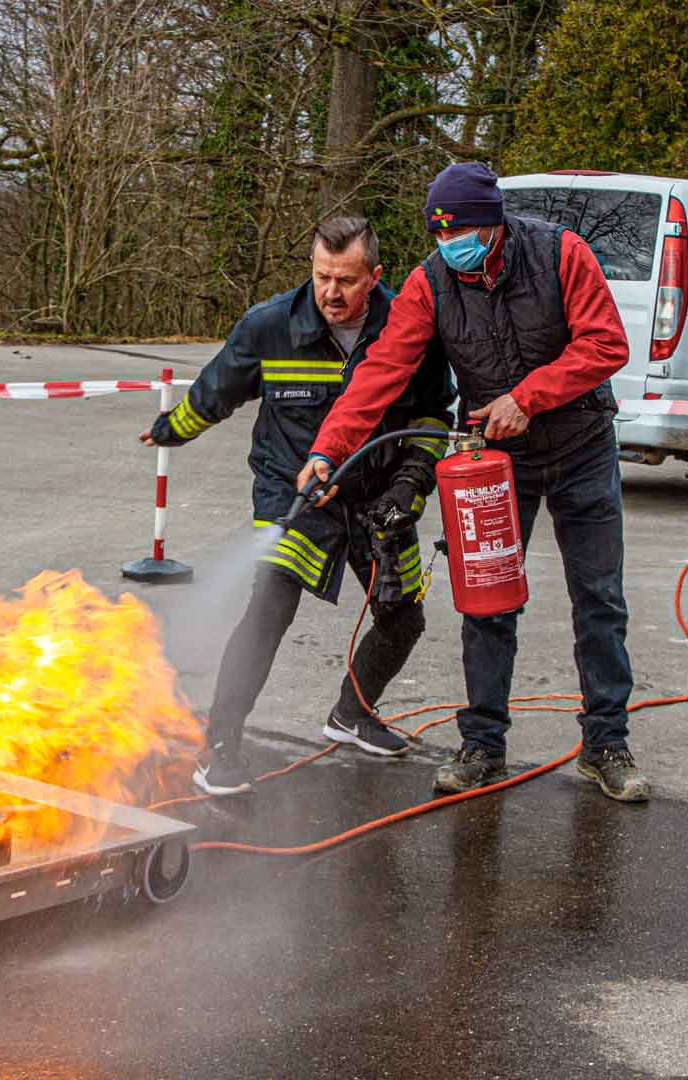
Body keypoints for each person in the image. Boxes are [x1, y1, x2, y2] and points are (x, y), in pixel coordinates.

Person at [298, 163, 649, 803]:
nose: (450, 246)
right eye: (440, 236)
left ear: (494, 225)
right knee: (487, 601)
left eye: (461, 233)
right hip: (495, 459)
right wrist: (330, 450)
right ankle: (483, 745)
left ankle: (606, 745)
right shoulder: (431, 283)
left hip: (581, 448)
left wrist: (529, 397)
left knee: (598, 599)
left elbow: (605, 344)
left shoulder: (560, 253)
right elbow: (380, 372)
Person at [140, 217, 453, 796]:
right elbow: (217, 389)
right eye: (321, 277)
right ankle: (221, 745)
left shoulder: (410, 330)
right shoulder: (270, 326)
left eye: (348, 280)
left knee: (403, 614)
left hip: (379, 498)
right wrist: (171, 429)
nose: (331, 293)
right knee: (269, 611)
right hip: (293, 494)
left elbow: (435, 413)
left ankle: (351, 713)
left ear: (376, 277)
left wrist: (410, 484)